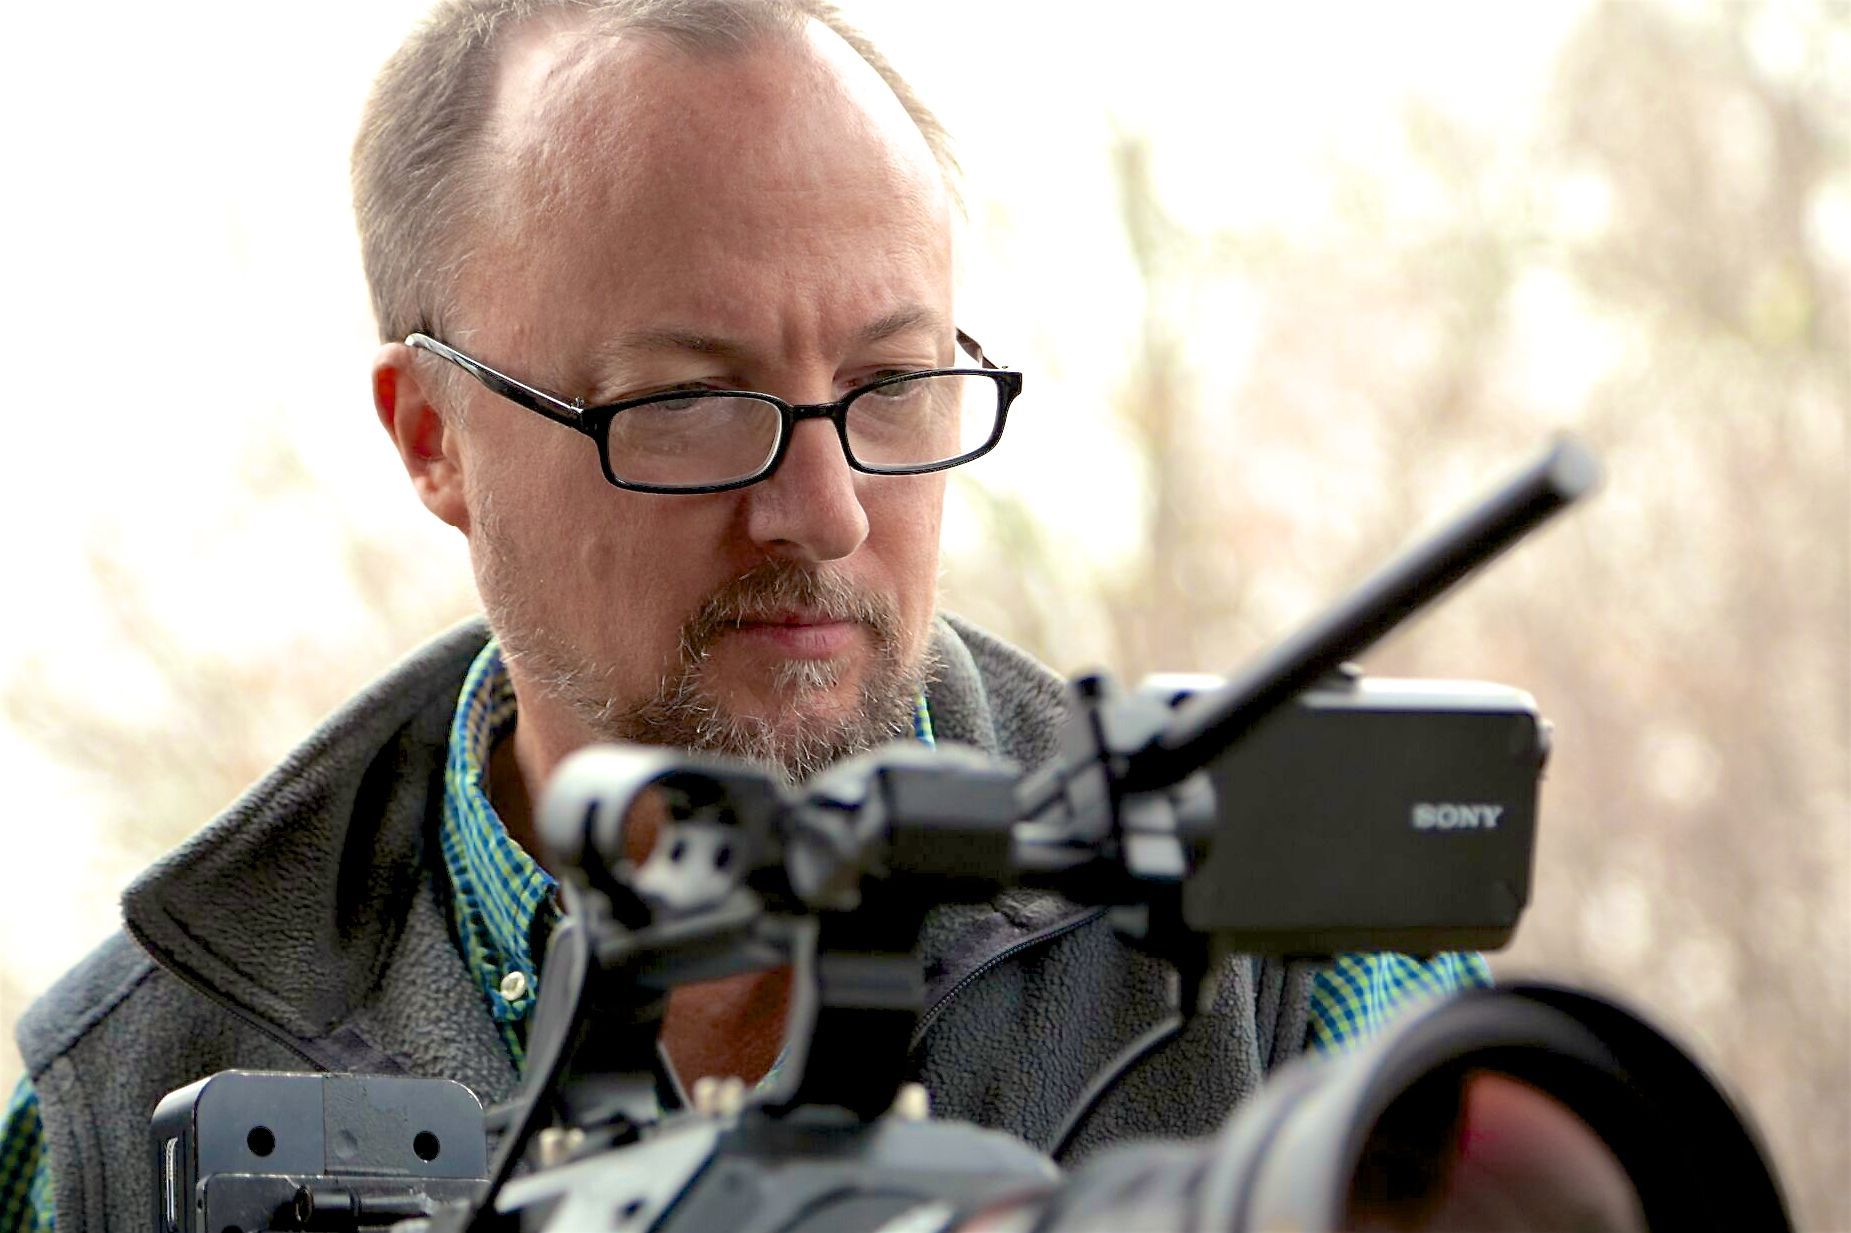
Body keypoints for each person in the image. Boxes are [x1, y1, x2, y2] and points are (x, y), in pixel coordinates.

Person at [0, 2, 1486, 1228]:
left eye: (894, 385)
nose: (828, 512)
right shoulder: (124, 1106)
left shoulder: (1286, 982)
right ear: (432, 436)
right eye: (694, 401)